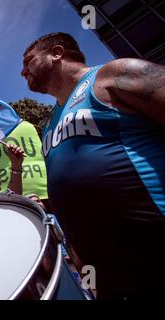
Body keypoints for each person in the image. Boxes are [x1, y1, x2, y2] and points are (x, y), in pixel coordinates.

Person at [21, 32, 165, 299]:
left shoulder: (114, 75)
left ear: (56, 53)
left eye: (28, 61)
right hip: (111, 279)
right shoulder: (48, 125)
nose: (22, 72)